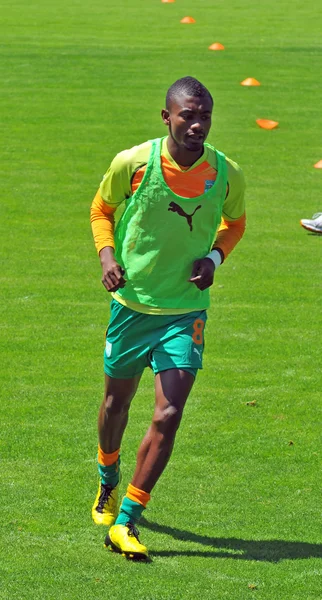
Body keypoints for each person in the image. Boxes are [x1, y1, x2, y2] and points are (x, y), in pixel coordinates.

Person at [90, 76, 246, 560]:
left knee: (169, 412)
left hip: (186, 311)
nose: (198, 125)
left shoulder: (225, 173)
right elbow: (101, 209)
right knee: (116, 405)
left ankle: (127, 521)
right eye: (188, 116)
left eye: (205, 117)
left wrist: (215, 259)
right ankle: (107, 477)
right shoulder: (133, 163)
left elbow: (234, 223)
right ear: (167, 117)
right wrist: (107, 256)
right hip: (132, 306)